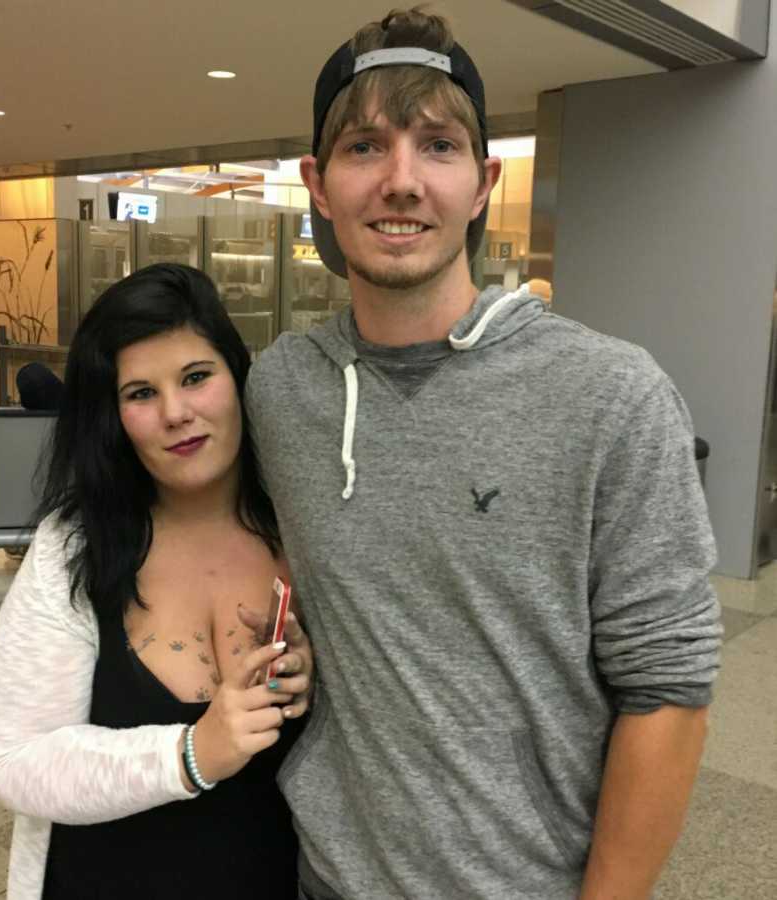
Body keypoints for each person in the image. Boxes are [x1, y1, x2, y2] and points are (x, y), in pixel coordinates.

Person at [246, 8, 722, 899]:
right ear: (317, 182)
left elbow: (668, 688)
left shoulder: (610, 395)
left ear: (482, 182)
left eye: (437, 146)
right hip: (325, 879)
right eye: (363, 148)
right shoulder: (280, 389)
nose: (400, 182)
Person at [0, 263, 313, 900]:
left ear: (237, 376)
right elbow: (16, 760)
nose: (176, 413)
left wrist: (314, 679)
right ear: (112, 415)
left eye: (195, 377)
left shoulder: (303, 530)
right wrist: (192, 754)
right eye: (140, 393)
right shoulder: (75, 547)